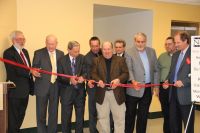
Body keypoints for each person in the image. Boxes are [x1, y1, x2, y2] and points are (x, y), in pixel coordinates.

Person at [90, 41, 129, 133]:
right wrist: (98, 80)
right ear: (101, 49)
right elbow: (93, 73)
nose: (106, 51)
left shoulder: (120, 60)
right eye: (104, 49)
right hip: (102, 94)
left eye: (108, 49)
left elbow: (126, 74)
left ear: (112, 49)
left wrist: (118, 80)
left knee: (119, 119)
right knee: (103, 120)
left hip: (117, 94)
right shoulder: (96, 60)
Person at [125, 32, 159, 133]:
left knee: (143, 116)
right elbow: (129, 69)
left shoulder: (152, 51)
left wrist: (156, 86)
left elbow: (156, 70)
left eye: (143, 42)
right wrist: (133, 81)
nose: (140, 44)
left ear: (146, 41)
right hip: (133, 88)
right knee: (130, 115)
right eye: (138, 41)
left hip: (148, 88)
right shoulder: (129, 52)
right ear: (135, 41)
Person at [3, 30, 36, 133]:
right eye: (19, 39)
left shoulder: (25, 51)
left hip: (25, 90)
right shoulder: (8, 53)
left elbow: (28, 68)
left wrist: (33, 71)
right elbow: (15, 70)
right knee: (13, 118)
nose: (22, 41)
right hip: (15, 91)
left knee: (21, 115)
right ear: (13, 40)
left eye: (23, 39)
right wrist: (30, 71)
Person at [163, 32, 194, 133]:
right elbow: (172, 72)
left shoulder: (195, 53)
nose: (175, 45)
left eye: (178, 42)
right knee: (174, 122)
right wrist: (168, 80)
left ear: (186, 41)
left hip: (186, 94)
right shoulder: (176, 54)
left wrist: (184, 82)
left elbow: (197, 74)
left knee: (187, 124)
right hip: (173, 93)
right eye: (175, 42)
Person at [32, 35, 64, 133]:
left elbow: (62, 70)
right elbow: (34, 67)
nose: (50, 46)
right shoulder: (38, 53)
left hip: (55, 87)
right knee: (41, 114)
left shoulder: (61, 54)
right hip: (42, 87)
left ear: (56, 43)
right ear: (45, 42)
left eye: (52, 44)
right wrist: (34, 72)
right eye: (48, 44)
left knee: (53, 113)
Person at [58, 41, 86, 133]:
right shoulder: (61, 60)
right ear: (69, 50)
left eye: (78, 51)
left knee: (80, 118)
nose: (77, 53)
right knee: (66, 119)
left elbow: (87, 71)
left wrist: (83, 77)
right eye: (75, 51)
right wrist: (70, 80)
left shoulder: (82, 58)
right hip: (66, 94)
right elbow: (60, 76)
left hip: (80, 93)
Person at [158, 36, 176, 133]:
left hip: (174, 87)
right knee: (166, 113)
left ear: (174, 44)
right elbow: (157, 72)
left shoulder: (179, 56)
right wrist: (157, 87)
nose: (167, 46)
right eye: (166, 44)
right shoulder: (162, 56)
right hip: (163, 88)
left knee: (174, 113)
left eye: (169, 44)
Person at [85, 36, 101, 133]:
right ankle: (93, 130)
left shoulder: (103, 53)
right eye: (93, 46)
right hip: (93, 88)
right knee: (93, 112)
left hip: (103, 88)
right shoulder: (87, 58)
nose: (95, 48)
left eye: (97, 46)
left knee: (104, 112)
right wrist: (89, 80)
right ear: (90, 46)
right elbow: (87, 73)